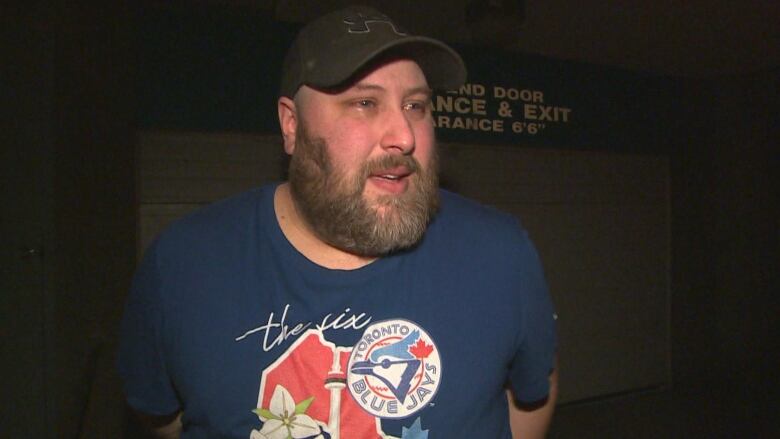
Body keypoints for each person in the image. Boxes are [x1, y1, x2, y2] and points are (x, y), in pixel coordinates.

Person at [118, 5, 558, 439]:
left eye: (416, 105)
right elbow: (163, 417)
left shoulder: (501, 254)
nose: (404, 135)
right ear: (291, 126)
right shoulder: (181, 266)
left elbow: (532, 394)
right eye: (365, 103)